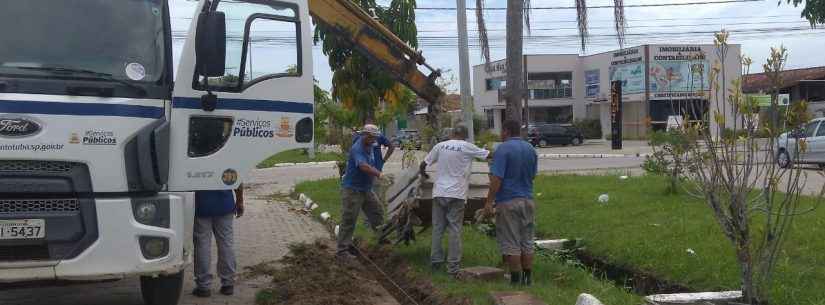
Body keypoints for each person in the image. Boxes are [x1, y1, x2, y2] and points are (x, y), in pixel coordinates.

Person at [419, 125, 489, 276]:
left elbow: (423, 164)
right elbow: (488, 155)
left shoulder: (440, 146)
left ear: (452, 134)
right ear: (465, 135)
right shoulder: (467, 146)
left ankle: (436, 262)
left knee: (438, 229)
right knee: (454, 230)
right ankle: (453, 268)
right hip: (456, 194)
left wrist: (424, 176)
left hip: (439, 193)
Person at [484, 120, 538, 286]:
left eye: (501, 131)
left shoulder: (503, 149)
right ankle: (527, 279)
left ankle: (515, 281)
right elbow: (533, 175)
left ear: (506, 131)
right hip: (528, 200)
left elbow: (496, 179)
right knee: (527, 241)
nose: (501, 134)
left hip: (508, 202)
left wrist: (489, 202)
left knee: (511, 242)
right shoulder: (531, 149)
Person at [337, 125, 384, 260]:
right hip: (353, 190)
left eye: (375, 137)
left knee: (377, 212)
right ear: (366, 135)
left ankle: (381, 240)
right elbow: (363, 166)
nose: (374, 139)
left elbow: (371, 163)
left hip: (366, 188)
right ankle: (342, 251)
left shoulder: (371, 145)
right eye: (372, 137)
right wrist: (379, 175)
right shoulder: (357, 148)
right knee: (349, 219)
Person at [192, 185, 245, 297]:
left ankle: (203, 286)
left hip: (201, 204)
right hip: (224, 204)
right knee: (226, 244)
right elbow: (237, 178)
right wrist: (240, 201)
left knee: (202, 245)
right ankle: (228, 284)